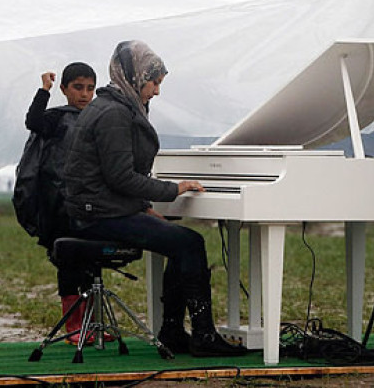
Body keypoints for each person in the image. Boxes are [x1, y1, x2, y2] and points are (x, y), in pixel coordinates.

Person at [62, 40, 246, 358]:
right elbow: (120, 177)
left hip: (101, 209)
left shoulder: (114, 105)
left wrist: (145, 207)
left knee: (180, 242)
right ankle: (201, 334)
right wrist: (173, 189)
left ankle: (173, 331)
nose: (157, 91)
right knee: (189, 243)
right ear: (135, 77)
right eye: (154, 82)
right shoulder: (115, 114)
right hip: (97, 217)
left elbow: (113, 176)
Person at [22, 63, 98, 344]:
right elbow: (33, 121)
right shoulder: (55, 118)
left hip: (90, 204)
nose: (84, 94)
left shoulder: (97, 118)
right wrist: (44, 90)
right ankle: (73, 326)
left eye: (90, 88)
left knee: (92, 263)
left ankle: (93, 323)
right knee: (69, 264)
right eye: (78, 87)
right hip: (59, 205)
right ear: (65, 89)